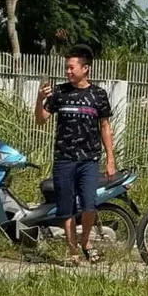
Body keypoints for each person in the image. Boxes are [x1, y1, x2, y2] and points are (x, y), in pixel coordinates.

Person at [34, 43, 115, 266]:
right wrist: (40, 98)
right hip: (64, 159)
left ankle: (85, 242)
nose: (67, 72)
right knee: (65, 207)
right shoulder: (59, 92)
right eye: (66, 68)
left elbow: (105, 127)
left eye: (71, 68)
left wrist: (110, 159)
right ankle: (72, 250)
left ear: (85, 68)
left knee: (90, 205)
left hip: (89, 160)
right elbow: (40, 120)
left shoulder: (98, 94)